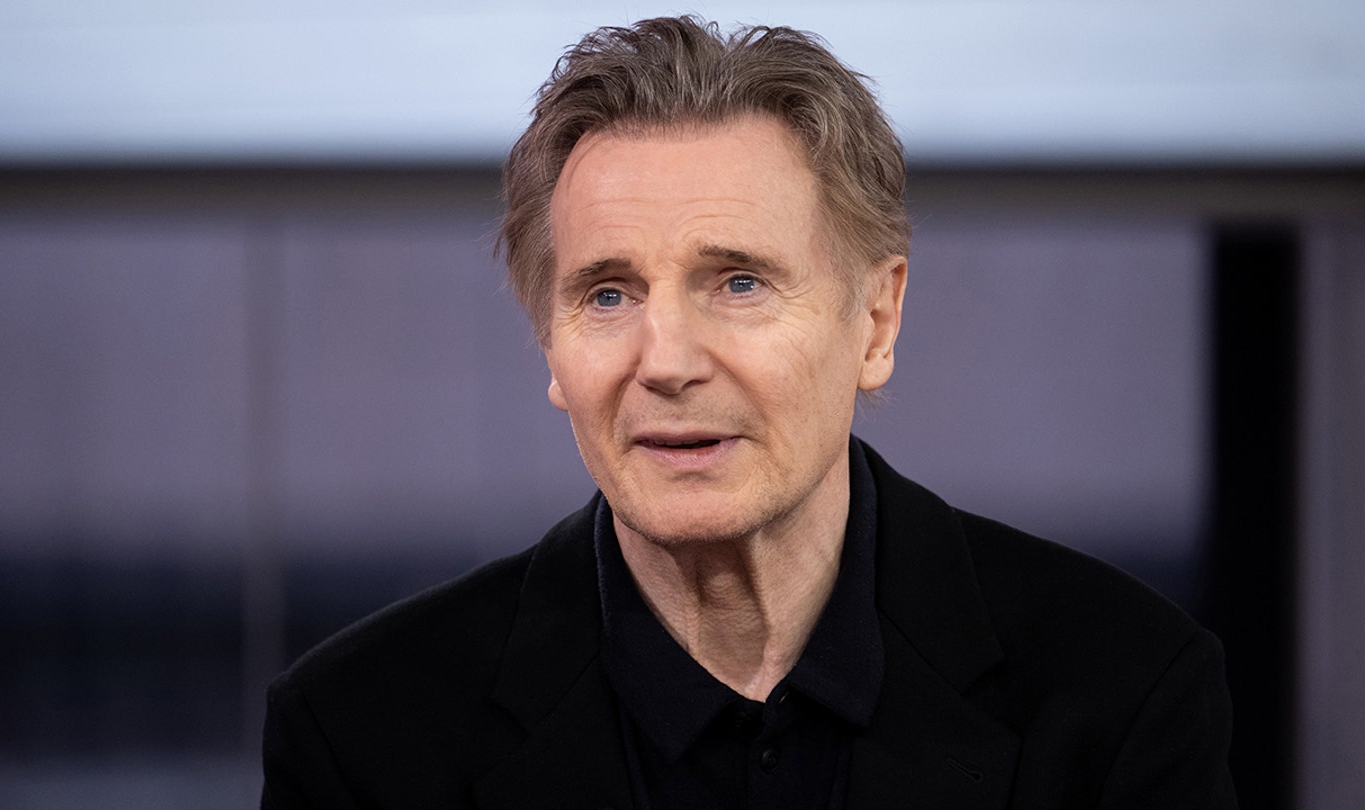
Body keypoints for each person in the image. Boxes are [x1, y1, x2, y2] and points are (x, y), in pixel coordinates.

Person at [260, 16, 1236, 809]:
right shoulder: (362, 736)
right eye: (608, 294)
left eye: (738, 283)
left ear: (876, 321)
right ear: (549, 343)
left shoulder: (1121, 694)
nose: (667, 363)